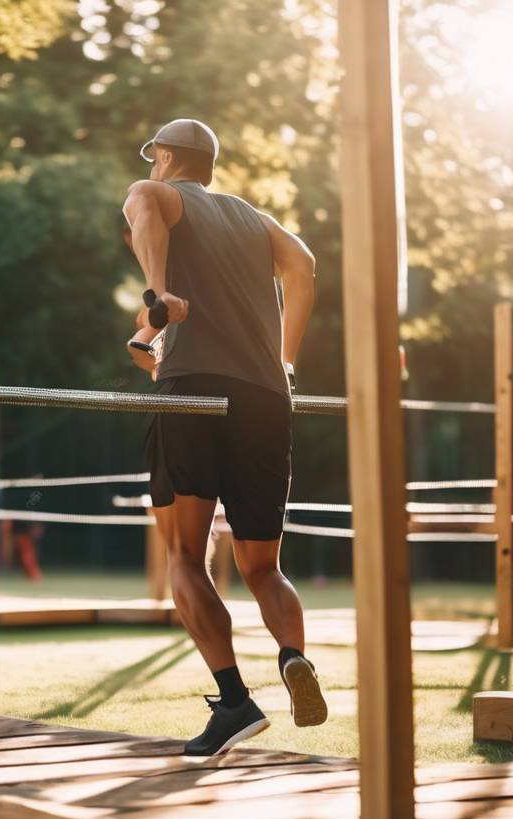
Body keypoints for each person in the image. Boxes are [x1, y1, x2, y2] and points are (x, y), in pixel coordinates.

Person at [123, 118, 325, 756]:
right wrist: (284, 360)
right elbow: (305, 268)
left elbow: (144, 206)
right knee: (263, 565)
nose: (151, 170)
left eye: (154, 159)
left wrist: (159, 295)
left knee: (184, 555)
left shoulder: (161, 193)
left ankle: (234, 701)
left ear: (167, 158)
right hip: (267, 396)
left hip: (196, 395)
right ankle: (292, 655)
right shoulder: (253, 219)